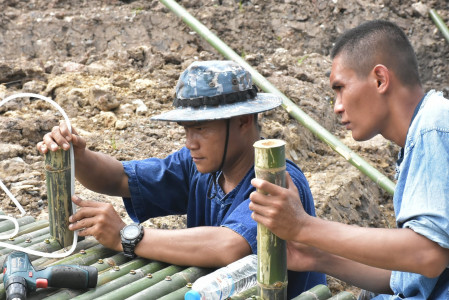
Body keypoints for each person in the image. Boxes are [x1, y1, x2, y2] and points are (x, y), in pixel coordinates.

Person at [37, 60, 326, 297]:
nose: (190, 142)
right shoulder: (199, 166)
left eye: (200, 129)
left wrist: (127, 237)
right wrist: (78, 155)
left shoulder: (279, 181)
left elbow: (228, 245)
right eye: (186, 129)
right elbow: (118, 179)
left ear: (242, 121)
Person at [249, 20, 449, 299]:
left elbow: (427, 254)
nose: (337, 106)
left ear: (380, 79)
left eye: (340, 88)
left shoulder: (435, 126)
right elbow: (409, 275)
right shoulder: (420, 136)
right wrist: (317, 257)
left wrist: (304, 226)